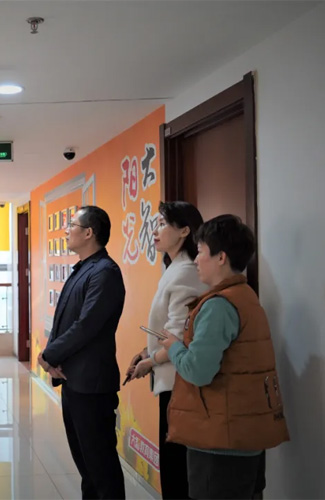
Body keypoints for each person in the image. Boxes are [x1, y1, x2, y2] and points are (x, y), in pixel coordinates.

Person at [158, 215, 290, 499]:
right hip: (244, 434)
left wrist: (173, 347)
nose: (196, 260)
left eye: (201, 252)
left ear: (221, 257)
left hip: (220, 444)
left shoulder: (218, 306)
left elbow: (198, 371)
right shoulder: (245, 296)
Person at [39, 206, 126, 499]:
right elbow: (65, 321)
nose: (66, 230)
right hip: (75, 379)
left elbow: (86, 325)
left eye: (72, 225)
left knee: (100, 465)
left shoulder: (105, 272)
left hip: (93, 384)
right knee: (87, 466)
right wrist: (52, 355)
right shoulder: (84, 268)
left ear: (89, 233)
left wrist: (49, 355)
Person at [124, 201, 205, 499]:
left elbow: (179, 335)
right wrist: (146, 353)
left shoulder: (186, 271)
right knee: (172, 466)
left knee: (176, 470)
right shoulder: (175, 268)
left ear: (184, 231)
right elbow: (168, 328)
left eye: (162, 224)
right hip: (170, 377)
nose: (155, 231)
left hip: (178, 382)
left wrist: (151, 361)